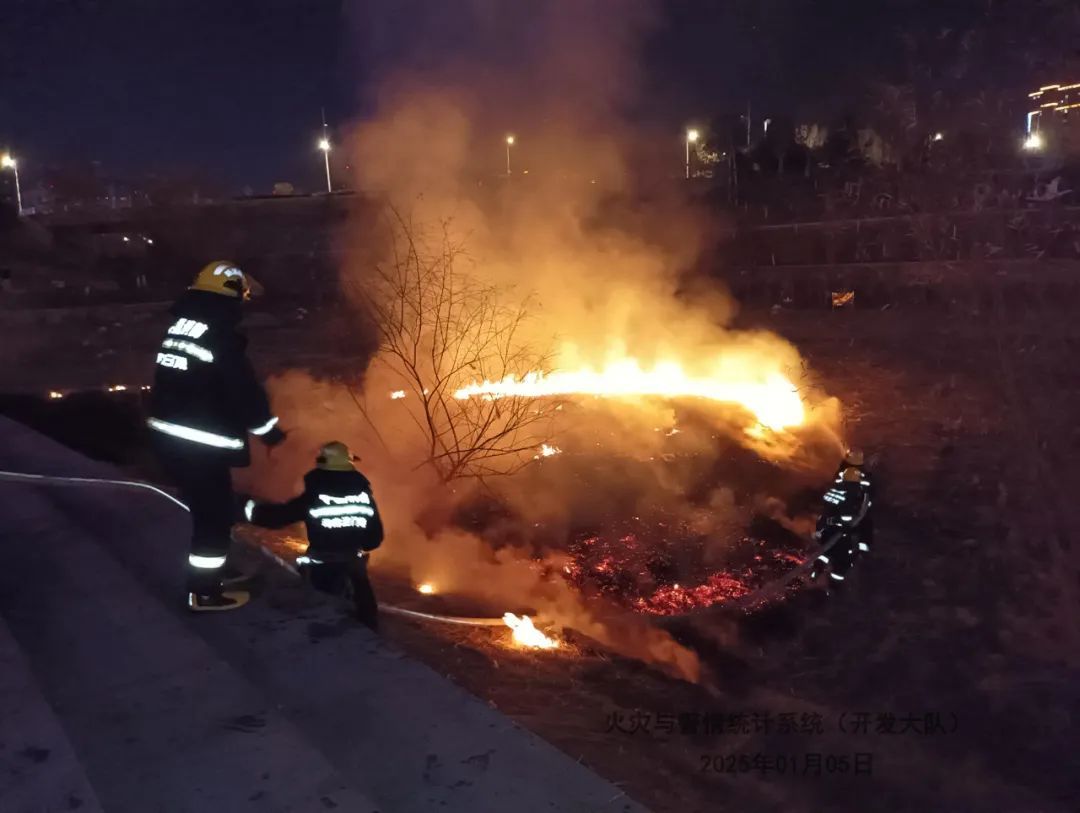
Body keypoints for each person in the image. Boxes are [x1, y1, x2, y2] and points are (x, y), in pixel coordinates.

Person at [148, 261, 285, 612]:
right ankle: (204, 592)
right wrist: (270, 433)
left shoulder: (182, 325)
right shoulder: (220, 335)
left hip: (170, 437)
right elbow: (243, 390)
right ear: (230, 296)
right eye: (241, 298)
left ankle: (216, 571)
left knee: (211, 509)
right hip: (200, 442)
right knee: (214, 517)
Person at [243, 441, 384, 629]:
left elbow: (280, 516)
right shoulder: (365, 496)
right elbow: (374, 538)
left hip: (322, 566)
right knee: (363, 600)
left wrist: (251, 510)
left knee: (321, 609)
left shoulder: (314, 494)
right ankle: (370, 628)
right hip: (353, 565)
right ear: (350, 464)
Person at [810, 467, 872, 590]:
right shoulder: (852, 492)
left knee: (825, 553)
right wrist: (847, 528)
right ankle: (834, 586)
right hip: (839, 534)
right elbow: (848, 516)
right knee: (842, 562)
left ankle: (814, 574)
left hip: (825, 531)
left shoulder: (833, 490)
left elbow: (826, 511)